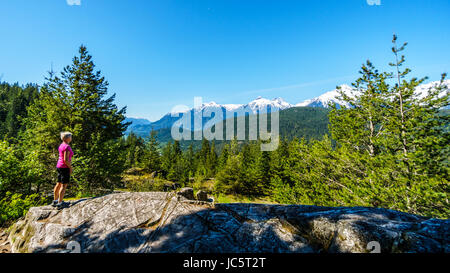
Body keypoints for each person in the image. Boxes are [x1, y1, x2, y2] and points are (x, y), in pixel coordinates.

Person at [52, 132, 74, 209]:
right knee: (64, 185)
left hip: (59, 166)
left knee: (58, 183)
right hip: (64, 167)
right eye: (70, 137)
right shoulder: (67, 147)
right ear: (67, 138)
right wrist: (70, 168)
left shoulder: (61, 145)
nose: (71, 138)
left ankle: (55, 201)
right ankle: (60, 203)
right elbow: (66, 160)